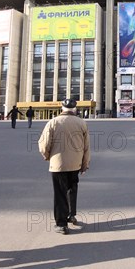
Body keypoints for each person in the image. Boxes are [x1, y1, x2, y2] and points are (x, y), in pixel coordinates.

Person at [38, 98, 90, 235]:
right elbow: (87, 147)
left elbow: (43, 144)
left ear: (62, 108)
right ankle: (71, 215)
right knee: (72, 189)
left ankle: (61, 224)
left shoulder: (53, 122)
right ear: (75, 109)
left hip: (58, 164)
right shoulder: (82, 123)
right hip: (75, 163)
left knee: (60, 193)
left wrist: (48, 156)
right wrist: (84, 165)